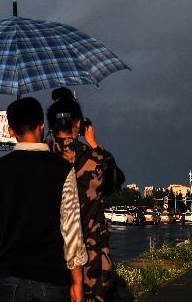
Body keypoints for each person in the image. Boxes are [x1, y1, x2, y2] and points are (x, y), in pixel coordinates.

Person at [0, 97, 88, 302]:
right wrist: (77, 281)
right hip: (52, 277)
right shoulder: (62, 169)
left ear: (11, 130)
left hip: (9, 278)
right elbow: (71, 228)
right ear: (42, 126)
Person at [47, 88, 125, 302]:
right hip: (92, 259)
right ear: (80, 124)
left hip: (51, 255)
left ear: (50, 125)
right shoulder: (95, 159)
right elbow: (116, 180)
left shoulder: (41, 157)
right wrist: (94, 144)